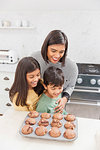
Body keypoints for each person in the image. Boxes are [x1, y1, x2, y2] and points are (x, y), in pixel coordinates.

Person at [32, 30, 78, 113]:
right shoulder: (34, 58)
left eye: (61, 52)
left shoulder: (71, 67)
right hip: (35, 104)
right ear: (46, 48)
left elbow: (70, 86)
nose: (57, 56)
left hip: (56, 105)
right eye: (53, 51)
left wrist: (64, 99)